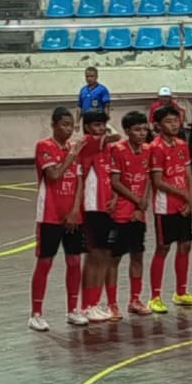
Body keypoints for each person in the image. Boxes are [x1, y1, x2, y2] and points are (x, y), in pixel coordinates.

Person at [28, 107, 90, 332]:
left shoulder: (76, 149)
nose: (68, 129)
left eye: (71, 125)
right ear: (53, 125)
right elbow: (54, 176)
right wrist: (71, 156)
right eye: (64, 124)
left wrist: (75, 210)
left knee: (74, 261)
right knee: (45, 262)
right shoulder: (44, 146)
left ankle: (73, 309)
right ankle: (36, 313)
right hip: (50, 215)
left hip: (72, 216)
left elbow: (79, 181)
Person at [148, 105, 192, 311]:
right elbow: (158, 181)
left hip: (183, 204)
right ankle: (155, 296)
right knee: (163, 248)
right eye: (168, 121)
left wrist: (190, 200)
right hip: (165, 206)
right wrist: (182, 195)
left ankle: (181, 292)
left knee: (185, 244)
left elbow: (188, 174)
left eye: (176, 120)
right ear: (158, 125)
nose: (173, 125)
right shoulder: (155, 147)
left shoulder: (182, 144)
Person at [78, 110, 121, 322]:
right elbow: (117, 135)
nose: (102, 129)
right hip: (91, 205)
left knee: (103, 254)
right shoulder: (88, 142)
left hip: (105, 207)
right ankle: (87, 305)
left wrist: (113, 197)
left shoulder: (105, 148)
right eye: (96, 125)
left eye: (103, 124)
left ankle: (94, 302)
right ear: (86, 127)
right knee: (94, 256)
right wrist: (105, 129)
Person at [110, 111, 154, 316]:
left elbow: (146, 179)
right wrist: (136, 201)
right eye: (137, 130)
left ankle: (135, 300)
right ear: (127, 131)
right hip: (120, 212)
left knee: (137, 255)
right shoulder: (117, 150)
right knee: (115, 258)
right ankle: (112, 304)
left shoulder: (147, 151)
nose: (142, 133)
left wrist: (141, 205)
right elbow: (115, 182)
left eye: (145, 129)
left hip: (139, 213)